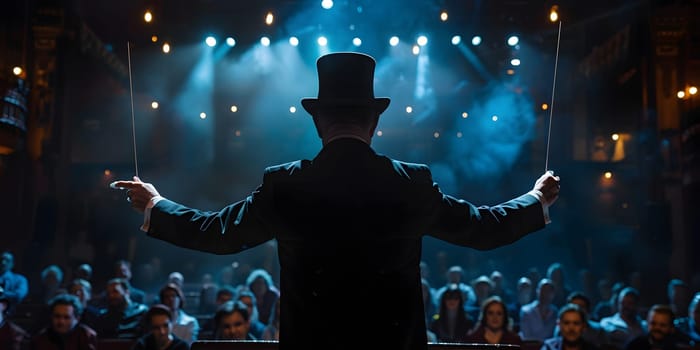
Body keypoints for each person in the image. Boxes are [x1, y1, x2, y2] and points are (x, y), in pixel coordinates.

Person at [112, 51, 561, 349]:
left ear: (318, 122)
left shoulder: (286, 185)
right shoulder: (410, 183)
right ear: (374, 122)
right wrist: (536, 198)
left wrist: (154, 204)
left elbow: (217, 235)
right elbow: (483, 229)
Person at [29, 293, 98, 350]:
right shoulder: (41, 339)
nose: (61, 322)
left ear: (77, 318)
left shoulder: (86, 336)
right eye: (57, 316)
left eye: (66, 317)